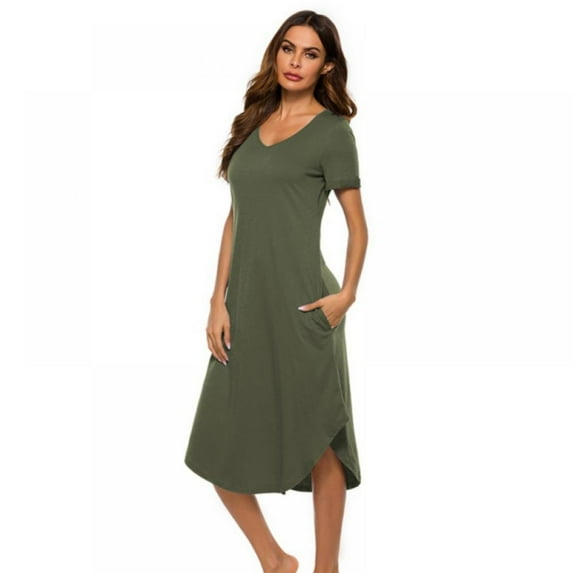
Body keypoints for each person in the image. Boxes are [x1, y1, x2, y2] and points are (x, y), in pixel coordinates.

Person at [184, 10, 368, 573]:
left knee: (321, 440)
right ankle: (275, 560)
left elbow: (358, 226)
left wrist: (347, 294)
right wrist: (217, 300)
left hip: (305, 305)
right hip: (245, 308)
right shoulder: (253, 122)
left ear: (326, 66)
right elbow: (235, 218)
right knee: (215, 444)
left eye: (310, 53)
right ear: (276, 52)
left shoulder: (332, 132)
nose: (295, 61)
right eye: (289, 48)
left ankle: (326, 568)